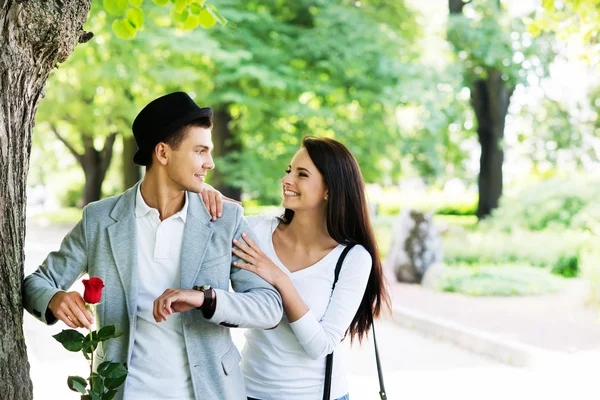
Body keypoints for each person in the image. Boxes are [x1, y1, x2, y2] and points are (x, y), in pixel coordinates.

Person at [23, 92, 283, 400]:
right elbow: (36, 283)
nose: (210, 163)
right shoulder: (100, 219)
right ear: (162, 153)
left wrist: (206, 299)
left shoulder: (224, 219)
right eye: (200, 151)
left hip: (210, 392)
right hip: (124, 392)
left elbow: (268, 306)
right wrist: (55, 298)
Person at [201, 136, 390, 400]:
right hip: (248, 391)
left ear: (329, 189)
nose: (287, 180)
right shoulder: (255, 231)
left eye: (302, 174)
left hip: (320, 396)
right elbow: (204, 225)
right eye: (289, 171)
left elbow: (320, 345)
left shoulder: (353, 258)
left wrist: (280, 279)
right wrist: (206, 194)